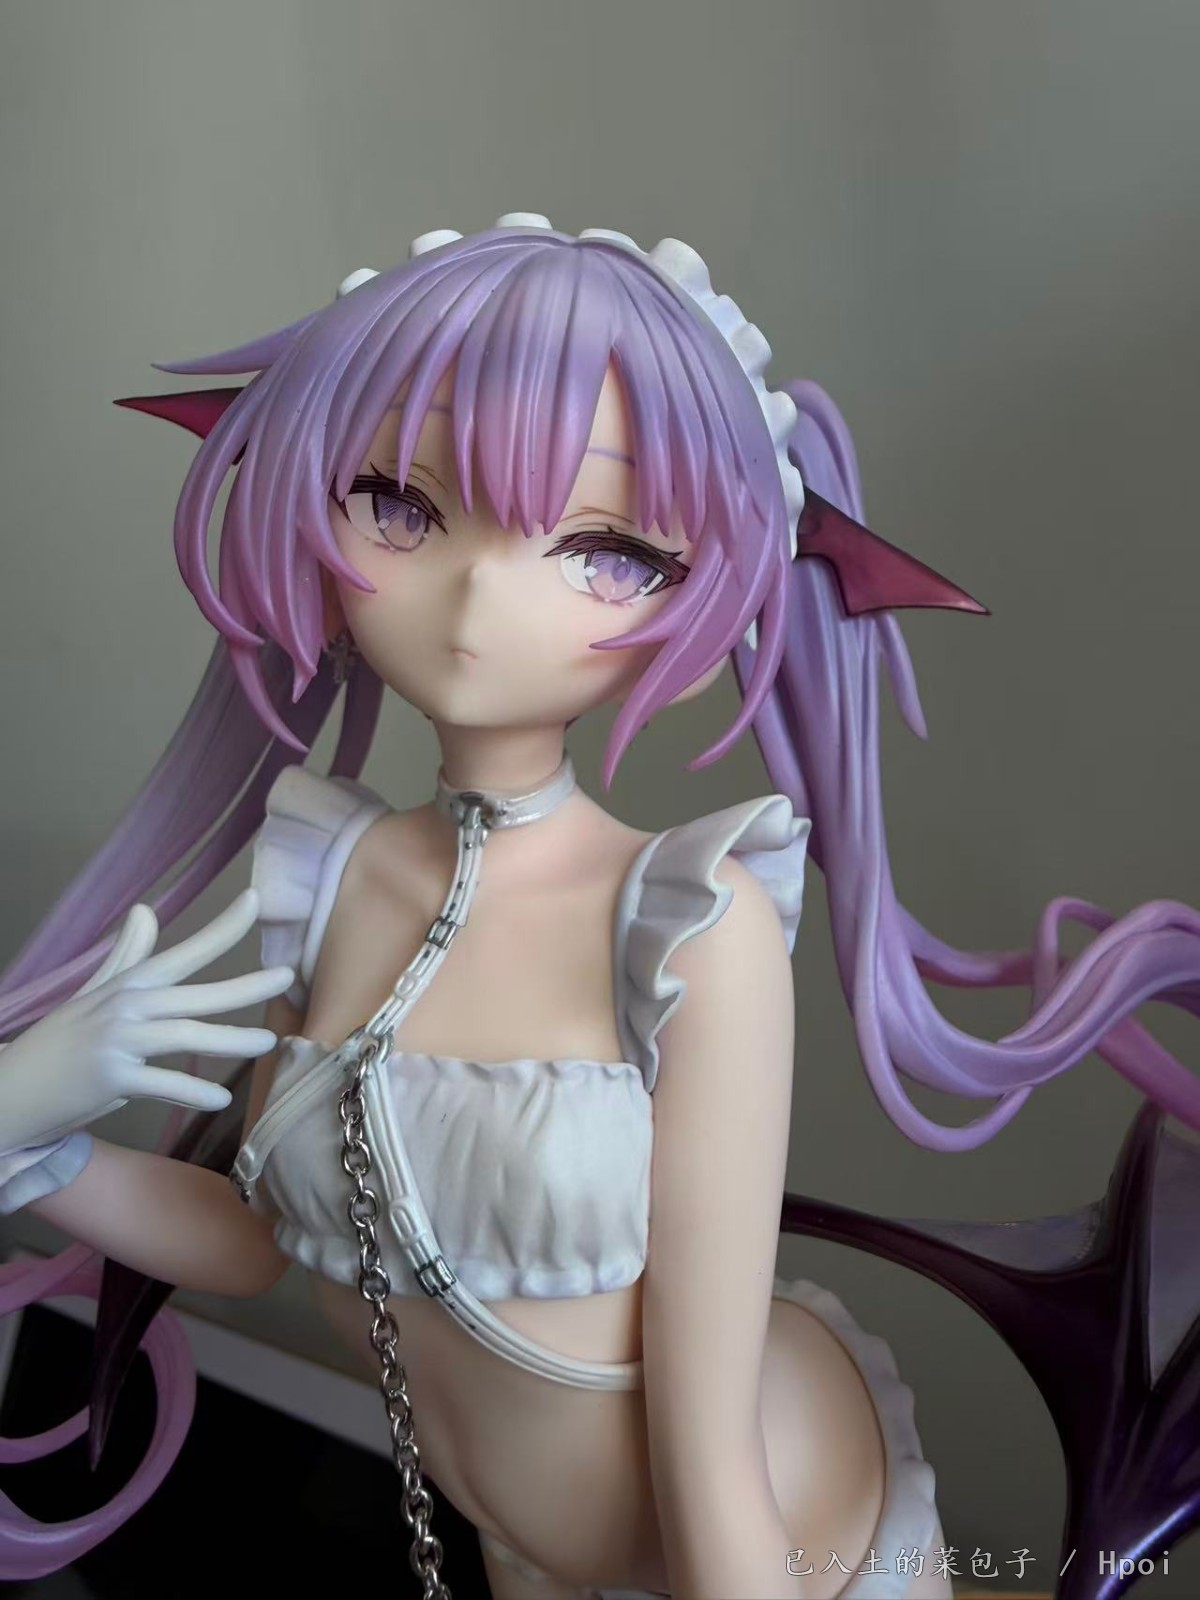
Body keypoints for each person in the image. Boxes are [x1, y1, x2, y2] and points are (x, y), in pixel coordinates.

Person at [2, 216, 1197, 1599]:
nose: (476, 594)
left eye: (607, 548)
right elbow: (265, 1239)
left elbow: (706, 1443)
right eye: (399, 503)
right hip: (513, 1543)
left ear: (720, 581)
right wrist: (30, 1127)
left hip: (782, 1541)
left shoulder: (690, 924)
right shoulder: (337, 874)